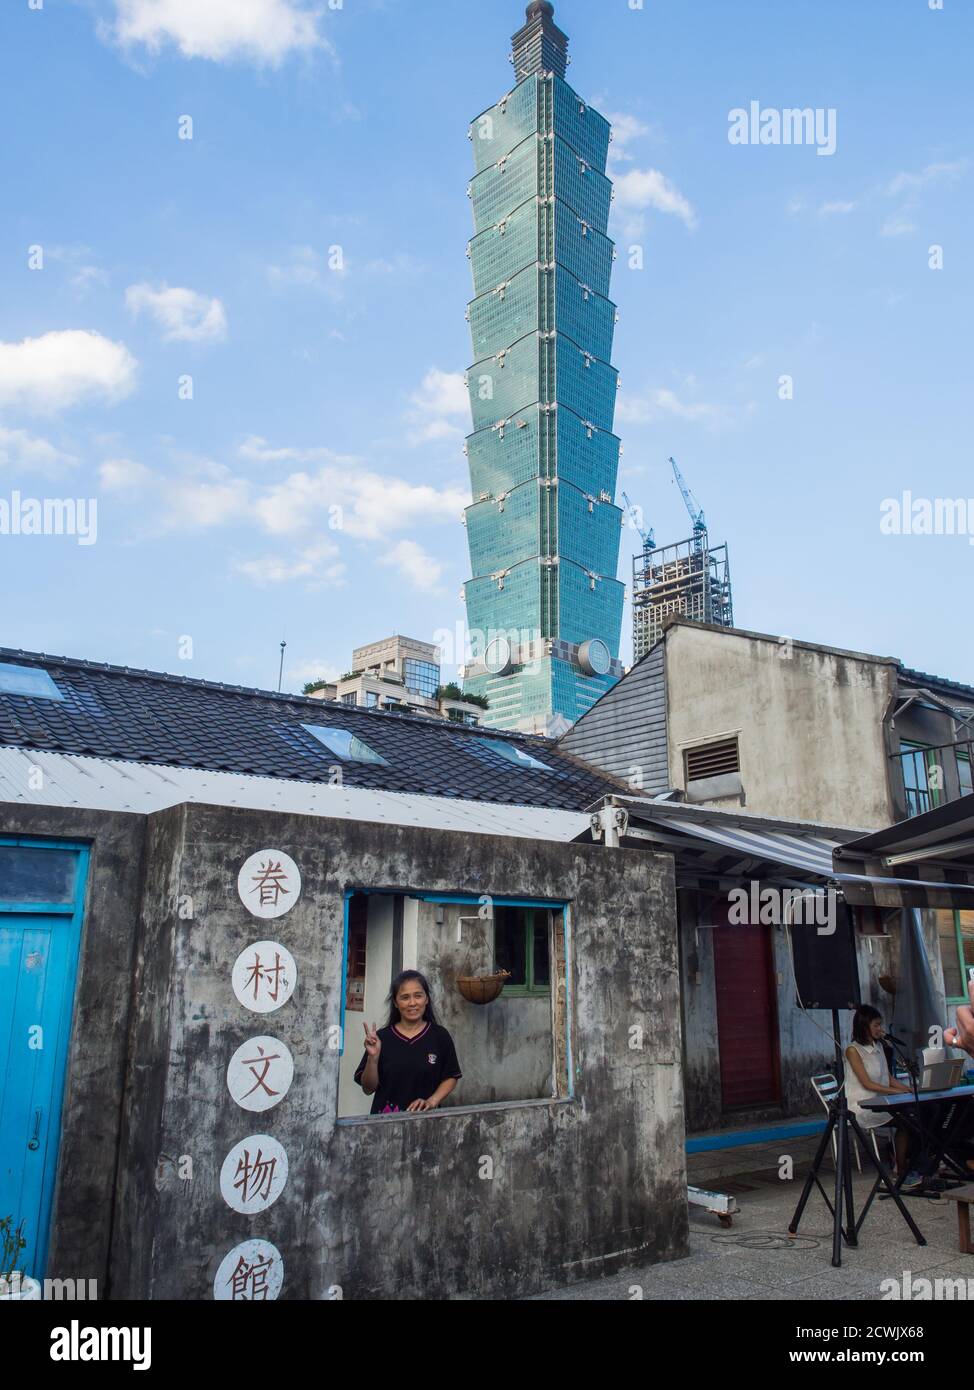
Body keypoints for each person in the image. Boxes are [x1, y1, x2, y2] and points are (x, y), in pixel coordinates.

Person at [354, 970, 462, 1117]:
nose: (412, 1003)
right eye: (405, 997)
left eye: (418, 996)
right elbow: (368, 1089)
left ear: (426, 999)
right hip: (384, 1126)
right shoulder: (381, 1038)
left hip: (427, 1123)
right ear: (396, 1003)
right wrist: (373, 1058)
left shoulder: (439, 1036)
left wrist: (431, 1101)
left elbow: (451, 1076)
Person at [843, 1005, 920, 1187]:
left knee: (914, 1116)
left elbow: (889, 1078)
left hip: (882, 1101)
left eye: (880, 1025)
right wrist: (898, 1092)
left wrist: (908, 1089)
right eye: (876, 1025)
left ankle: (910, 1164)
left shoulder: (879, 1047)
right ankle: (901, 1170)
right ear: (864, 1026)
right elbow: (867, 1083)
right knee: (904, 1124)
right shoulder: (853, 1051)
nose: (880, 1029)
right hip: (862, 1107)